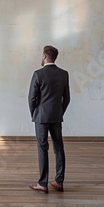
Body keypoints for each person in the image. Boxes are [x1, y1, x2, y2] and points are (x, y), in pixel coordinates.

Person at [28, 45, 70, 193]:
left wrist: (35, 113)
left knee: (42, 148)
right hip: (56, 116)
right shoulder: (64, 74)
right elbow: (67, 98)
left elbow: (31, 98)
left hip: (41, 116)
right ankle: (59, 181)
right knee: (59, 147)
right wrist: (60, 112)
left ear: (44, 56)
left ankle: (43, 183)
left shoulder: (38, 74)